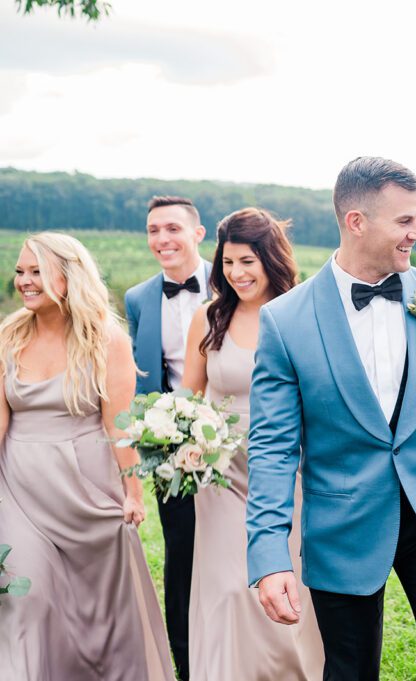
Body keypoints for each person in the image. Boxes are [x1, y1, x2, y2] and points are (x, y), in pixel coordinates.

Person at [245, 156, 416, 681]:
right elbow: (273, 449)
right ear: (356, 222)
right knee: (350, 672)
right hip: (342, 524)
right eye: (405, 221)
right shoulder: (285, 321)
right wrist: (269, 554)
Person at [0, 233, 174, 681]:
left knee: (102, 614)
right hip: (18, 489)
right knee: (26, 598)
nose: (24, 281)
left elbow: (117, 424)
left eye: (37, 271)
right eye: (21, 271)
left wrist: (132, 492)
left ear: (68, 275)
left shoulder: (106, 340)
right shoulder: (8, 336)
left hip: (84, 488)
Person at [181, 208, 323, 679]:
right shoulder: (209, 318)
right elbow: (190, 397)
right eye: (227, 263)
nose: (236, 273)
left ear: (270, 258)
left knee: (281, 585)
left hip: (286, 470)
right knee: (226, 588)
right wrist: (184, 439)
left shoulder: (299, 314)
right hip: (221, 475)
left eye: (247, 261)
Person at [125, 195, 212, 680]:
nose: (162, 239)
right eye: (154, 230)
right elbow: (145, 381)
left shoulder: (234, 282)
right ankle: (188, 665)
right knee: (181, 560)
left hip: (233, 442)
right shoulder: (138, 299)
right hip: (170, 452)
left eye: (173, 228)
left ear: (198, 234)